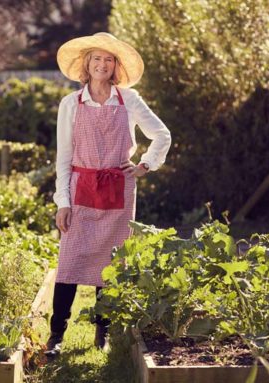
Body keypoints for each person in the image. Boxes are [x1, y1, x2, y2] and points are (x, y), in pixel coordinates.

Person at [46, 32, 171, 357]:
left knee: (109, 264)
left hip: (118, 190)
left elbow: (162, 135)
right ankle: (56, 336)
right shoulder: (70, 104)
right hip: (81, 188)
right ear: (86, 65)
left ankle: (101, 334)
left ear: (115, 66)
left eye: (108, 59)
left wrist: (145, 165)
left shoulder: (128, 99)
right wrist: (63, 202)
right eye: (96, 59)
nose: (102, 64)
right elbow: (63, 157)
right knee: (69, 263)